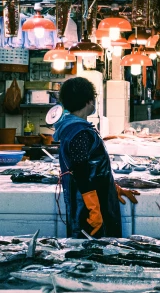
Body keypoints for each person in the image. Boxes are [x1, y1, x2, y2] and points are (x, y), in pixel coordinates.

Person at [53, 77, 139, 238]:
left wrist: (112, 188)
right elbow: (81, 172)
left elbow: (91, 167)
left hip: (96, 200)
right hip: (89, 209)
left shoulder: (73, 128)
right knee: (93, 257)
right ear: (89, 101)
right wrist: (94, 210)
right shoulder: (79, 132)